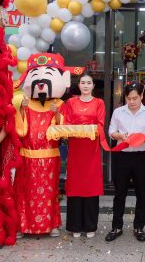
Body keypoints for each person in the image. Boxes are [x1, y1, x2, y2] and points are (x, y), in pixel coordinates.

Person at [14, 53, 78, 238]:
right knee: (24, 192)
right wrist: (20, 110)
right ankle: (23, 225)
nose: (41, 83)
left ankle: (51, 225)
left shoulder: (59, 103)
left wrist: (56, 114)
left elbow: (62, 131)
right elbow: (20, 131)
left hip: (49, 158)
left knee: (49, 193)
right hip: (27, 157)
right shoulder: (26, 104)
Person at [106, 82, 145, 242]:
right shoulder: (118, 112)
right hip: (122, 156)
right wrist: (120, 136)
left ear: (141, 96)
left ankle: (139, 227)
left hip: (140, 156)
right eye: (128, 98)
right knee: (119, 193)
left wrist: (143, 138)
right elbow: (111, 131)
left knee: (142, 193)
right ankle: (116, 227)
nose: (132, 101)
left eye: (135, 98)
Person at [60, 73, 106, 239]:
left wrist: (86, 129)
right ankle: (75, 226)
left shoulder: (99, 103)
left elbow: (100, 124)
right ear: (78, 85)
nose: (86, 85)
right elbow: (66, 123)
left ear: (93, 86)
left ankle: (90, 225)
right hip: (76, 150)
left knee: (91, 186)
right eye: (83, 83)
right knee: (75, 186)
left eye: (89, 83)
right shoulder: (71, 102)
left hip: (91, 150)